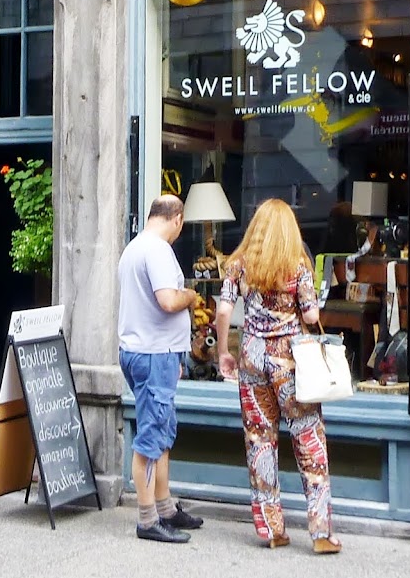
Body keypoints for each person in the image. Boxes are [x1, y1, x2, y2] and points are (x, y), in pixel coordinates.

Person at [216, 198, 341, 554]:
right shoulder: (297, 264)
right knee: (308, 438)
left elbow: (223, 311)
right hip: (291, 360)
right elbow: (312, 316)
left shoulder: (239, 263)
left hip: (253, 356)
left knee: (259, 440)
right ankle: (321, 532)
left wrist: (224, 351)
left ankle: (272, 528)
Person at [118, 193, 204, 543]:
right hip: (154, 354)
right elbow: (168, 300)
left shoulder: (134, 247)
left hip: (146, 351)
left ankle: (165, 508)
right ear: (177, 219)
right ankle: (147, 518)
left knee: (161, 431)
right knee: (151, 436)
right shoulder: (157, 250)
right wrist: (191, 296)